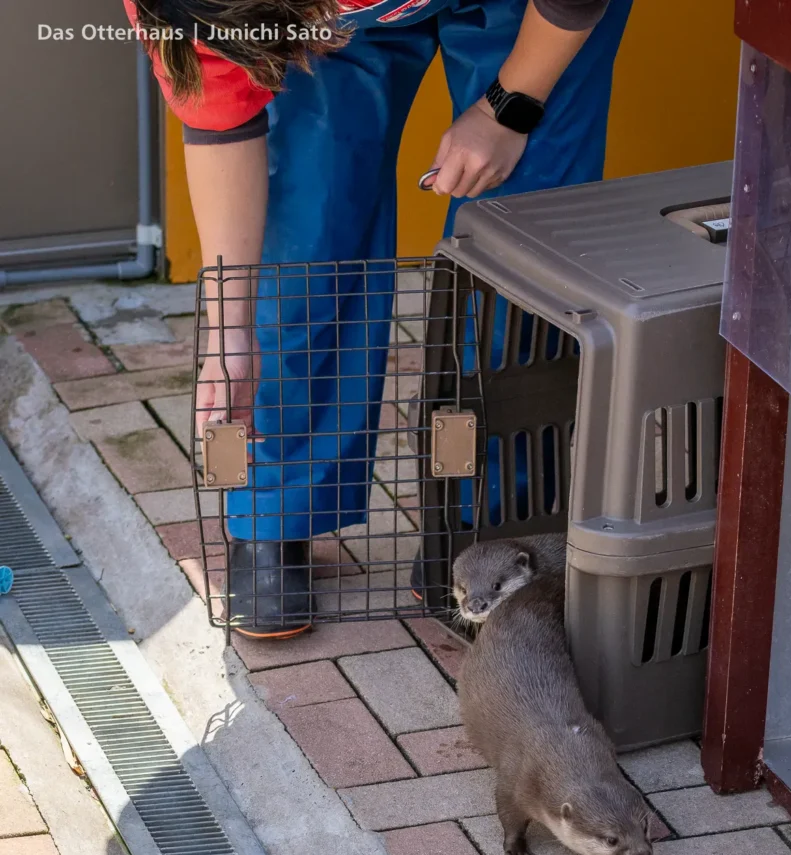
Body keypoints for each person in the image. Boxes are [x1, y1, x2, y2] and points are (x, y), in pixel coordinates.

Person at [127, 0, 632, 639]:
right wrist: (228, 339)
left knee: (522, 229)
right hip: (316, 17)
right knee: (309, 215)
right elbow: (223, 120)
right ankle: (277, 512)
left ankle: (482, 529)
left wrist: (511, 104)